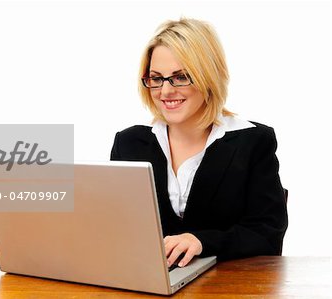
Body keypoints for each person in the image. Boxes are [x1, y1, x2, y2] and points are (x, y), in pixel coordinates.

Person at [110, 17, 288, 268]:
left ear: (209, 77)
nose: (165, 91)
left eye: (180, 77)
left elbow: (266, 235)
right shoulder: (129, 143)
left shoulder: (252, 141)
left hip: (229, 287)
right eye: (156, 78)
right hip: (151, 285)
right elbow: (115, 230)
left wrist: (201, 241)